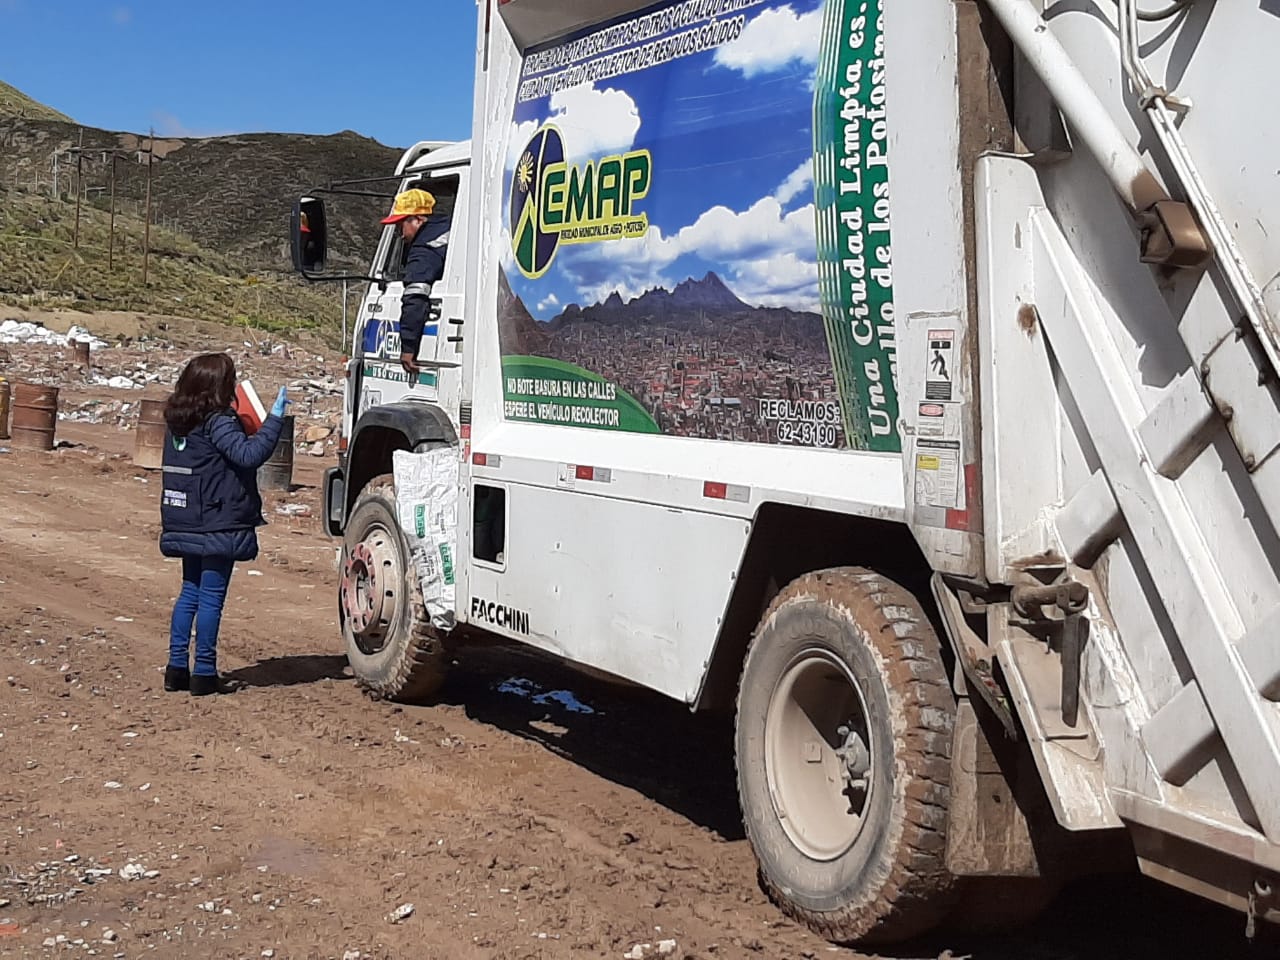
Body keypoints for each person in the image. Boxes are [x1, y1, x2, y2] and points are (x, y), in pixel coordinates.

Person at [158, 352, 291, 696]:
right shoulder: (217, 421)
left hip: (185, 515)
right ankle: (204, 672)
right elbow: (248, 455)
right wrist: (275, 419)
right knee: (211, 597)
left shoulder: (177, 419)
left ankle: (176, 669)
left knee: (190, 592)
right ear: (220, 385)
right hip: (218, 518)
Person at [380, 187, 449, 374]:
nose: (400, 234)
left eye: (401, 225)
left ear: (418, 220)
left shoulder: (423, 249)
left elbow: (415, 297)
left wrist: (408, 347)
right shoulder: (449, 227)